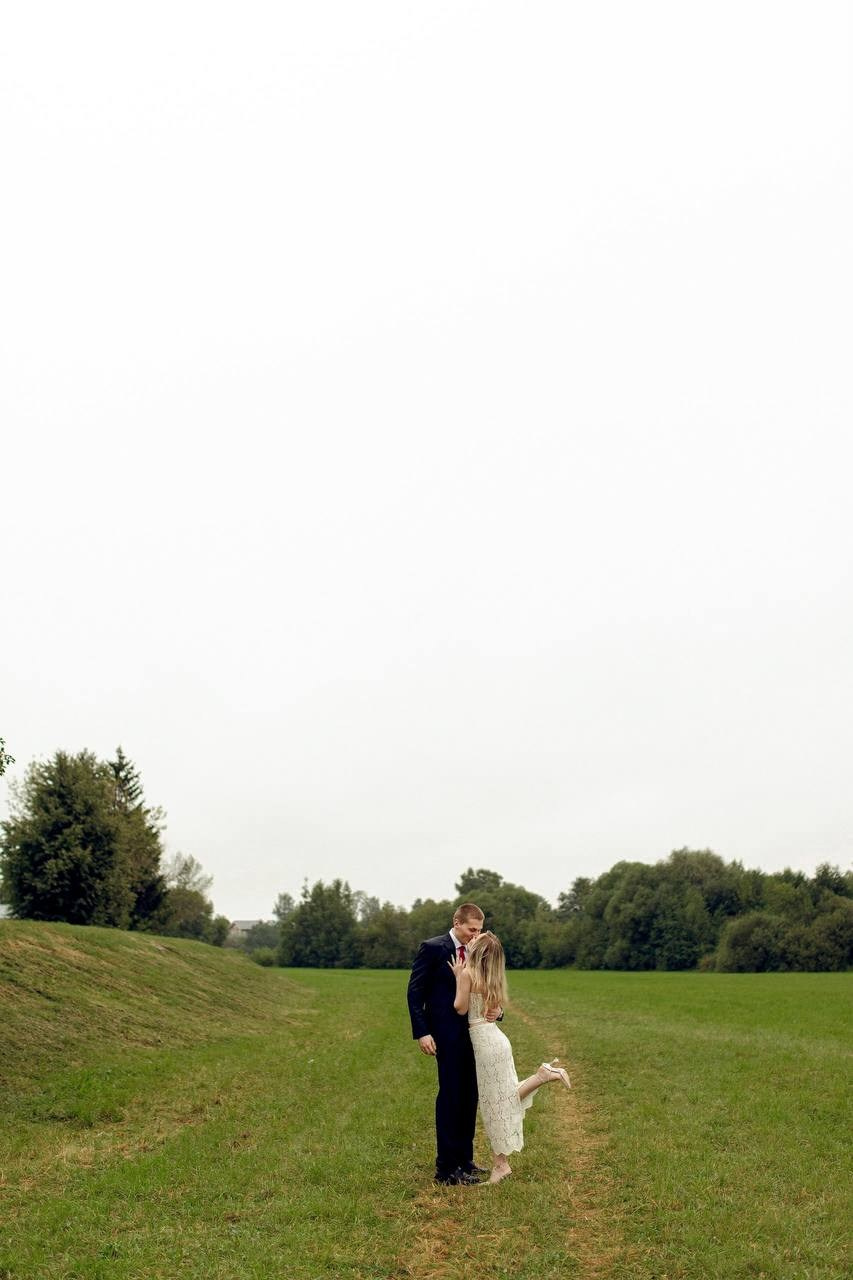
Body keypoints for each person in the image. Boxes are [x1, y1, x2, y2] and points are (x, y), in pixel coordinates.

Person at [449, 930, 570, 1183]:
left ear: (477, 952)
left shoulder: (469, 974)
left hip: (484, 1043)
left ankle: (501, 1165)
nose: (471, 941)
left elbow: (460, 1008)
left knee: (495, 1104)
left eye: (474, 941)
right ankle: (542, 1075)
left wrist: (458, 976)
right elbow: (491, 1009)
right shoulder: (491, 978)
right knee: (502, 1099)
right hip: (497, 1040)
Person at [407, 902, 497, 1185]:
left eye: (479, 930)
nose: (475, 935)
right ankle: (446, 1169)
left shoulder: (478, 950)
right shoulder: (433, 948)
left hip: (475, 1034)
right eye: (472, 929)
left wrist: (498, 1011)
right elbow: (414, 992)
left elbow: (485, 988)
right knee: (451, 1097)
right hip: (445, 1036)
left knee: (470, 1096)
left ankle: (464, 1160)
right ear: (456, 923)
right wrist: (423, 1032)